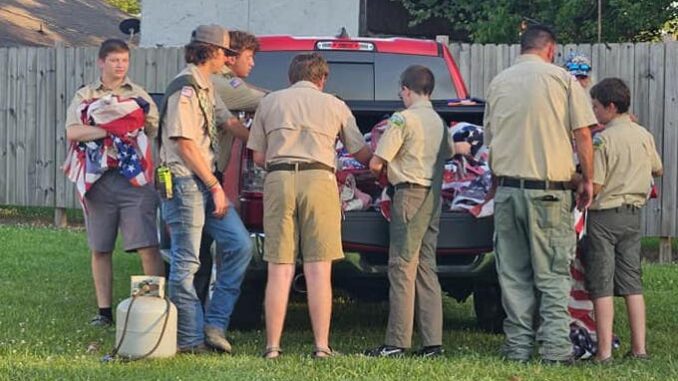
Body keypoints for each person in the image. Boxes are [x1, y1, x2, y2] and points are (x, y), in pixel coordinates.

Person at [483, 24, 598, 364]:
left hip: (506, 191)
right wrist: (588, 180)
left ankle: (517, 348)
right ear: (551, 49)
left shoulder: (498, 82)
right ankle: (555, 349)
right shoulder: (562, 80)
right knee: (552, 275)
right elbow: (583, 135)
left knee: (513, 275)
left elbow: (492, 141)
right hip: (549, 194)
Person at [247, 53, 372, 358]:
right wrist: (383, 165)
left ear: (291, 77)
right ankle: (321, 346)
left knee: (279, 267)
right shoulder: (335, 105)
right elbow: (359, 152)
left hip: (279, 180)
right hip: (319, 180)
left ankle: (273, 347)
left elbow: (258, 158)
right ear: (322, 78)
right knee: (318, 268)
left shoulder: (270, 102)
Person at [363, 65, 470, 358]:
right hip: (432, 198)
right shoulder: (438, 120)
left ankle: (396, 341)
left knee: (401, 266)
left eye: (401, 90)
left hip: (408, 196)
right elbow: (449, 152)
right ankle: (432, 343)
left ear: (406, 89)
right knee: (426, 266)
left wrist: (380, 177)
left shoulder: (402, 119)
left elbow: (376, 161)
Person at [158, 24, 252, 353]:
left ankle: (214, 324)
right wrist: (215, 186)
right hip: (186, 181)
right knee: (187, 263)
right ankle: (189, 339)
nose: (229, 59)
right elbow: (184, 144)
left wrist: (271, 142)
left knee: (240, 245)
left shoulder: (208, 86)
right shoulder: (184, 88)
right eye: (226, 53)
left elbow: (228, 123)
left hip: (204, 181)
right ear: (210, 51)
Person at [64, 39, 165, 327]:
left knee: (147, 245)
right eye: (114, 60)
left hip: (134, 181)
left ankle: (151, 308)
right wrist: (112, 129)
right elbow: (73, 131)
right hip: (98, 181)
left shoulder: (140, 95)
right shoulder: (85, 94)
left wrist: (114, 127)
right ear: (101, 62)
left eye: (124, 60)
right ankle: (104, 312)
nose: (120, 66)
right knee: (101, 247)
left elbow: (151, 126)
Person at [585, 78, 663, 364]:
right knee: (632, 282)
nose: (593, 112)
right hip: (632, 216)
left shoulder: (602, 138)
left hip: (604, 216)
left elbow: (598, 184)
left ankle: (604, 352)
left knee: (601, 282)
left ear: (610, 106)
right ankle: (639, 348)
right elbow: (658, 168)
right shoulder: (643, 134)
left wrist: (579, 182)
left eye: (595, 106)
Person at [190, 30, 265, 308]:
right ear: (229, 58)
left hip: (211, 177)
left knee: (208, 248)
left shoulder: (214, 86)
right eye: (249, 57)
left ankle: (204, 319)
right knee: (197, 252)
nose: (253, 63)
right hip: (199, 178)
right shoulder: (221, 84)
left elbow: (231, 125)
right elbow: (258, 99)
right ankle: (192, 322)